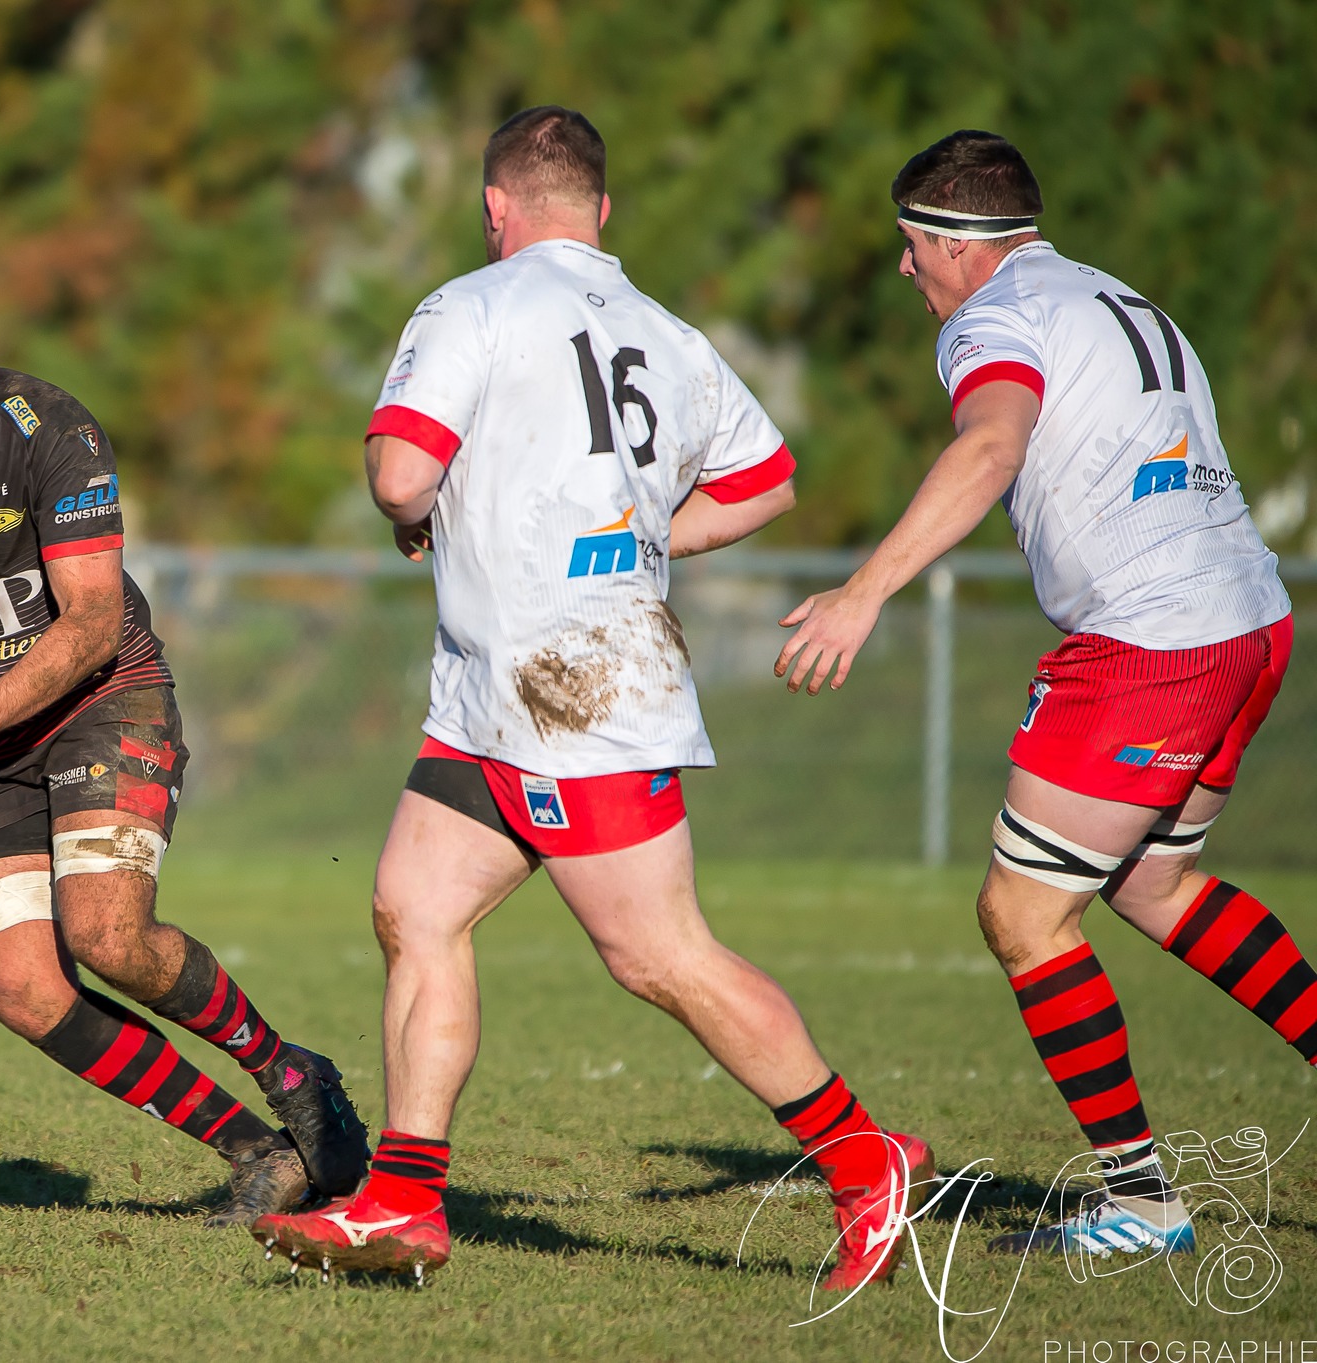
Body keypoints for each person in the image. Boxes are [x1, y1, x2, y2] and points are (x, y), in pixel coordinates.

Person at [252, 108, 931, 1286]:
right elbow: (765, 484)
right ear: (600, 211)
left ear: (493, 207)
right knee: (415, 907)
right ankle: (401, 1203)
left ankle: (863, 1155)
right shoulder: (667, 332)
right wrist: (628, 548)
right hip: (496, 689)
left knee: (658, 955)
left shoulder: (466, 304)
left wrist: (409, 517)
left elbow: (400, 472)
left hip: (572, 693)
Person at [0, 228, 368, 1226]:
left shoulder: (43, 428)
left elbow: (90, 624)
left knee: (105, 936)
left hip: (101, 700)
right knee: (22, 990)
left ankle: (289, 1071)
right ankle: (254, 1150)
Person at [775, 130, 1306, 1257]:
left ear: (951, 243)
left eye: (909, 247)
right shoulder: (1117, 297)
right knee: (1155, 884)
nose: (903, 271)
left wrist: (862, 592)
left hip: (1147, 645)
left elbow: (988, 447)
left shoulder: (992, 316)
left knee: (1022, 915)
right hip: (1248, 619)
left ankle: (1141, 1200)